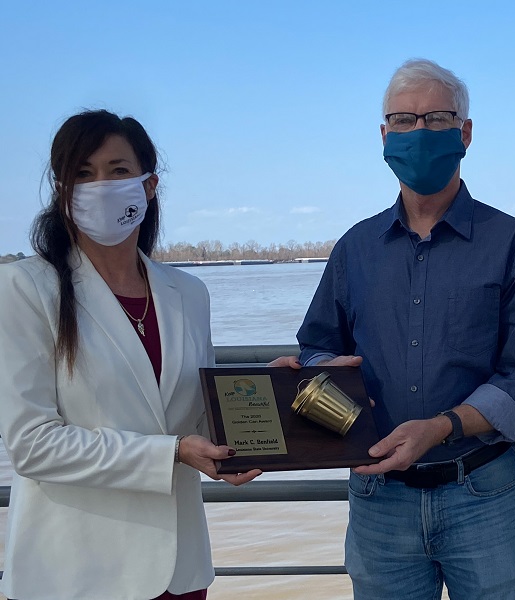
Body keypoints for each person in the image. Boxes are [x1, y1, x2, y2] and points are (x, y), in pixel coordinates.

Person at [0, 109, 296, 600]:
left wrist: (267, 392)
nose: (101, 186)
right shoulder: (25, 289)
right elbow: (33, 445)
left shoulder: (188, 292)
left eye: (118, 171)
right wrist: (171, 453)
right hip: (76, 573)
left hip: (180, 570)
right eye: (82, 174)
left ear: (149, 185)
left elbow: (194, 413)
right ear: (61, 191)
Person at [296, 58, 515, 599]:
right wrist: (316, 380)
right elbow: (317, 349)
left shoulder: (512, 243)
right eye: (404, 121)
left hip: (482, 490)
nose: (419, 133)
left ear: (465, 133)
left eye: (436, 119)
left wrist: (439, 427)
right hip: (378, 500)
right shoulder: (354, 249)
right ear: (384, 136)